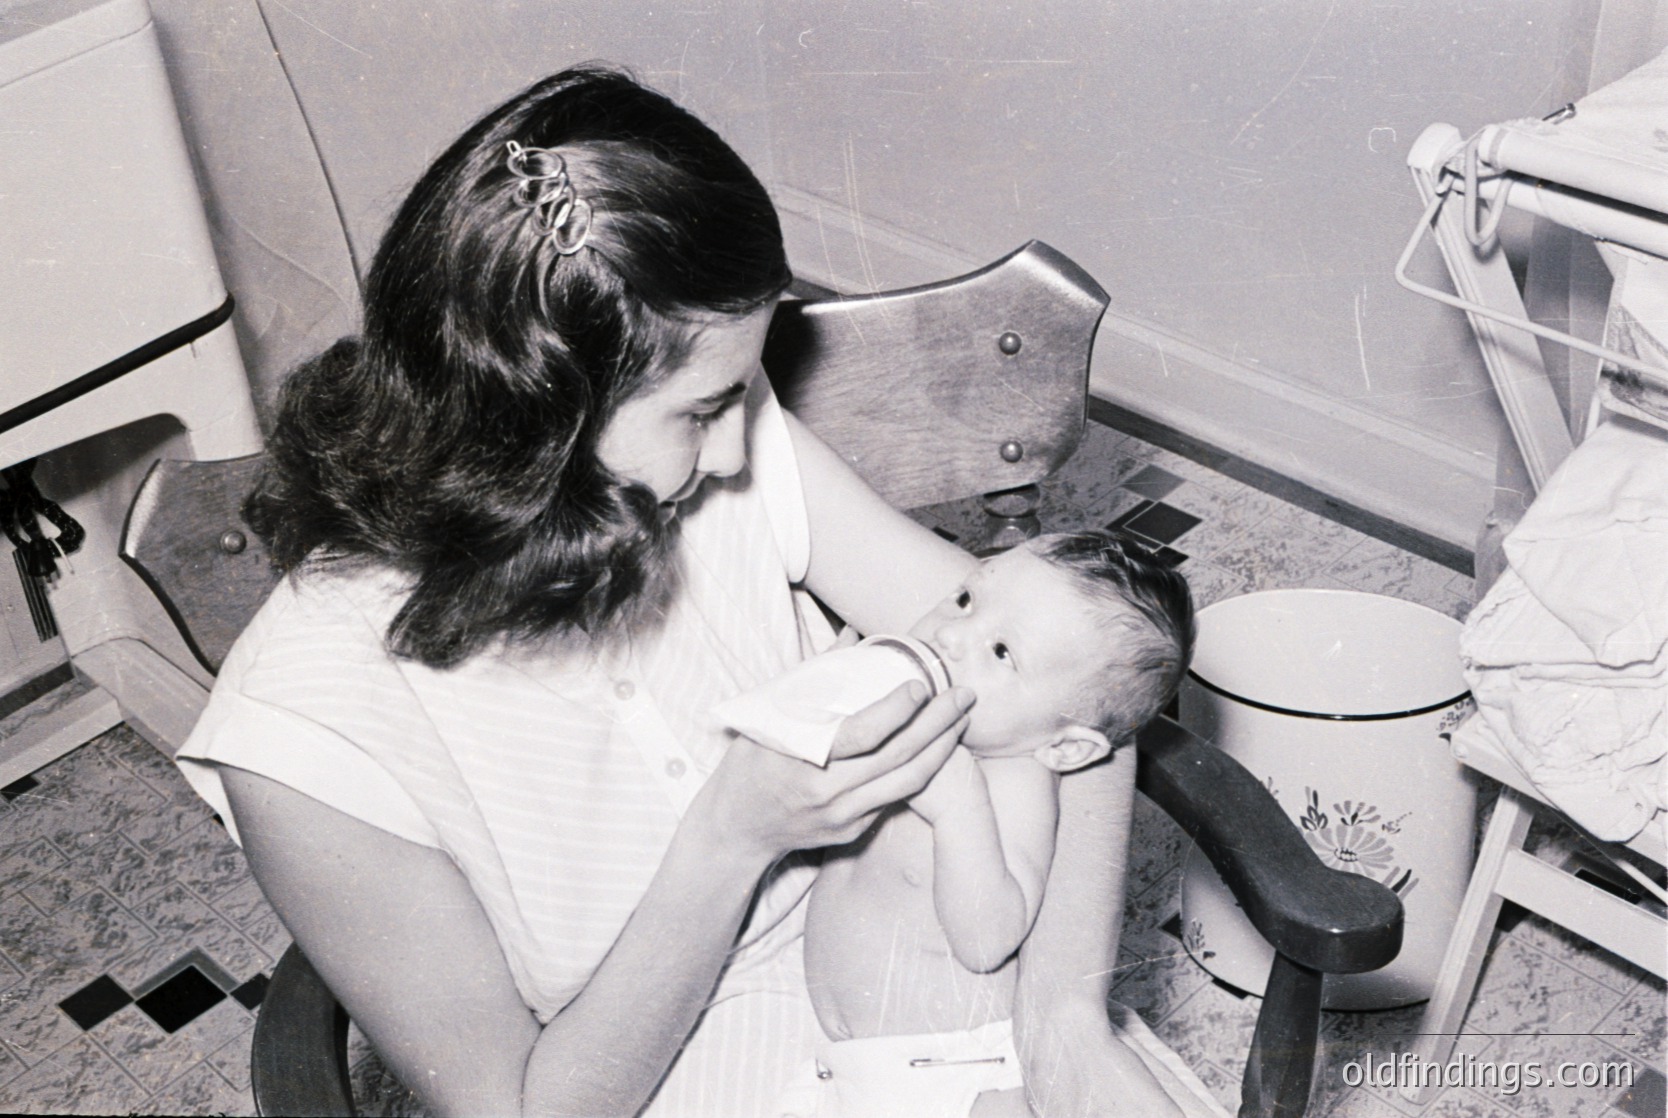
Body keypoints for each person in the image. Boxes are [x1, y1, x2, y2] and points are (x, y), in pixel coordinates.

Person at [175, 64, 1217, 1117]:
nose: (741, 448)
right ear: (540, 422)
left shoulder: (713, 426)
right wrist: (732, 835)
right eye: (705, 408)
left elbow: (1066, 672)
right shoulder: (301, 732)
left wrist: (1065, 1023)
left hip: (945, 996)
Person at [752, 532, 1193, 1118]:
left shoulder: (1012, 785)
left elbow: (988, 941)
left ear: (1065, 748)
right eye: (965, 599)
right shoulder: (924, 718)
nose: (953, 634)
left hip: (962, 1080)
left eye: (1003, 652)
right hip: (851, 1068)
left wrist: (959, 808)